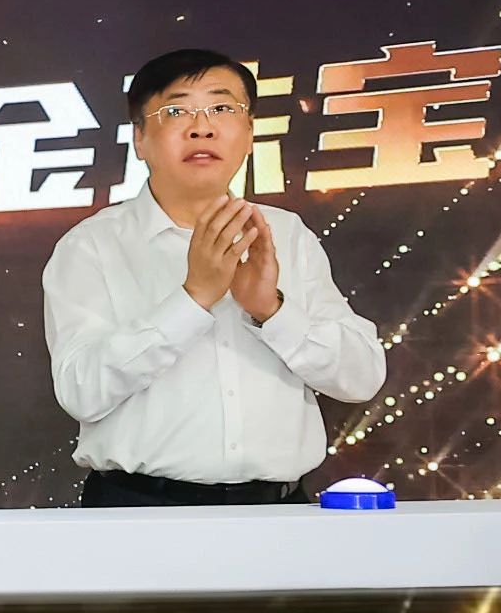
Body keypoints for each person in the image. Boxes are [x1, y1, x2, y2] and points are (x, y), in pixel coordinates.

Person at [43, 49, 385, 506]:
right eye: (176, 111)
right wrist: (193, 299)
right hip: (140, 510)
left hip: (280, 512)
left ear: (249, 134)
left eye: (222, 108)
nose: (202, 127)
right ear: (140, 138)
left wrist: (271, 310)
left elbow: (361, 378)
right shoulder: (91, 246)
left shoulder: (286, 234)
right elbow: (81, 391)